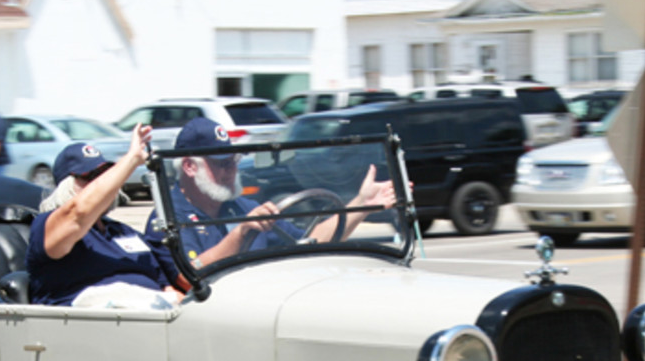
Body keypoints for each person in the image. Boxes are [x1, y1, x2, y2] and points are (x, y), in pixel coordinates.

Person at [143, 117, 397, 268]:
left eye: (234, 160)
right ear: (189, 166)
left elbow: (310, 242)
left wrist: (363, 204)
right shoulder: (168, 218)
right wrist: (243, 231)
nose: (232, 170)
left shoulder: (240, 207)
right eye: (222, 163)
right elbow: (190, 273)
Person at [27, 124, 185, 309]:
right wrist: (132, 159)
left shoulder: (123, 232)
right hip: (88, 327)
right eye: (91, 176)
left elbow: (168, 290)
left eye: (105, 174)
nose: (102, 183)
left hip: (152, 320)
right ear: (65, 186)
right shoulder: (47, 227)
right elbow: (78, 212)